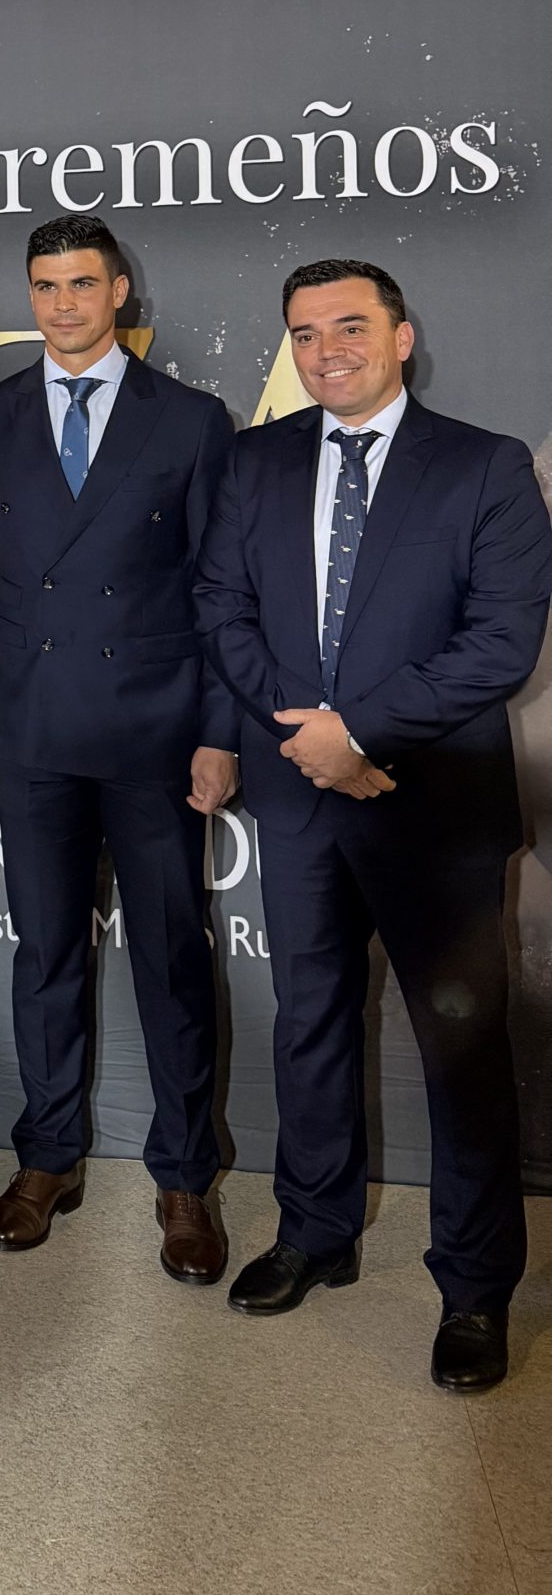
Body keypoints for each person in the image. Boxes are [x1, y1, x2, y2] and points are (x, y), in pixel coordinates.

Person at [196, 258, 552, 1391]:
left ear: (402, 337)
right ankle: (315, 1231)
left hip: (433, 804)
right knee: (309, 1023)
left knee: (461, 1048)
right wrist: (309, 739)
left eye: (350, 326)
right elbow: (222, 608)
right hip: (300, 796)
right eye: (304, 334)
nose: (326, 350)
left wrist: (357, 732)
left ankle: (475, 1287)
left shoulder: (486, 465)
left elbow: (503, 642)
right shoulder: (256, 460)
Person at [0, 215, 236, 1281]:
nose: (62, 303)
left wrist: (218, 731)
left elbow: (219, 592)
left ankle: (185, 1177)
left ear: (119, 290)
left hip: (154, 730)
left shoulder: (192, 419)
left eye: (81, 283)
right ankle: (47, 1156)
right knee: (45, 955)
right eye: (45, 285)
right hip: (29, 727)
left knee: (170, 958)